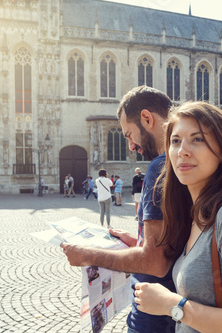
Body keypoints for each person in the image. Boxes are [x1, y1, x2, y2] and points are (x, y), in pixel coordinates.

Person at [132, 101, 222, 332]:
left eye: (197, 139)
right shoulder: (196, 214)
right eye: (175, 141)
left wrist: (171, 304)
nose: (183, 151)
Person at [61, 86, 176, 333]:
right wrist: (137, 241)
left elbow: (155, 263)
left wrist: (88, 255)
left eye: (129, 134)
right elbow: (173, 248)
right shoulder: (185, 163)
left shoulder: (160, 167)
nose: (131, 146)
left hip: (152, 316)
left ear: (147, 118)